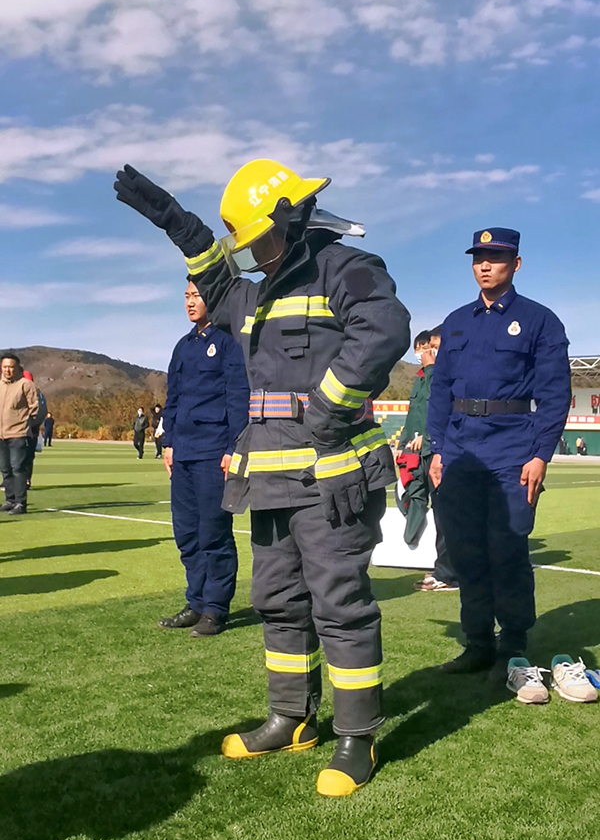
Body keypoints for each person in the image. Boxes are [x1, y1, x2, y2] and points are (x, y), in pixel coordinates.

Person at [114, 159, 410, 797]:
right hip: (269, 477)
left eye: (259, 239)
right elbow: (214, 282)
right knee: (277, 601)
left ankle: (356, 737)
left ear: (290, 218)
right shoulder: (251, 290)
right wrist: (176, 222)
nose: (254, 252)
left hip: (332, 476)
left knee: (340, 606)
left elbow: (385, 328)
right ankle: (290, 718)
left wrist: (330, 406)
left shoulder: (345, 268)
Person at [427, 228, 571, 684]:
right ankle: (477, 644)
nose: (485, 265)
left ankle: (513, 645)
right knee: (467, 552)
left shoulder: (539, 321)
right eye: (479, 257)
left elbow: (555, 394)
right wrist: (437, 450)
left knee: (507, 550)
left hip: (513, 449)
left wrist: (541, 454)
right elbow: (440, 391)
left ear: (516, 264)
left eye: (496, 257)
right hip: (460, 449)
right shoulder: (455, 322)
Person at [158, 283, 250, 635]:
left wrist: (232, 448)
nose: (191, 303)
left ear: (214, 300)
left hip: (213, 452)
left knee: (214, 533)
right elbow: (174, 398)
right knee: (187, 533)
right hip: (182, 452)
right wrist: (168, 442)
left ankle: (216, 608)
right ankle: (195, 602)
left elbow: (237, 399)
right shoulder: (183, 346)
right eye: (186, 297)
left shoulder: (228, 344)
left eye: (197, 296)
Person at [397, 330, 459, 591]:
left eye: (432, 347)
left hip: (441, 452)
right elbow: (416, 414)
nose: (427, 353)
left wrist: (428, 437)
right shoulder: (421, 377)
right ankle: (442, 567)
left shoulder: (444, 373)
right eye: (425, 348)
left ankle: (448, 573)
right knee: (411, 498)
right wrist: (402, 445)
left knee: (447, 515)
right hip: (419, 453)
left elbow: (440, 407)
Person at [0, 352, 38, 515]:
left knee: (18, 468)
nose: (7, 370)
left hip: (18, 433)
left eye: (11, 367)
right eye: (5, 367)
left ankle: (20, 503)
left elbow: (35, 408)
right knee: (5, 469)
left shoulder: (25, 384)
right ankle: (10, 500)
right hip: (1, 435)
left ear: (17, 368)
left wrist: (27, 425)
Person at [22, 370, 47, 489]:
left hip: (29, 429)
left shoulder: (35, 393)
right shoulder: (38, 393)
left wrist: (31, 423)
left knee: (25, 455)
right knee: (24, 455)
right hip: (29, 428)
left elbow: (41, 412)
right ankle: (23, 480)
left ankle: (24, 480)